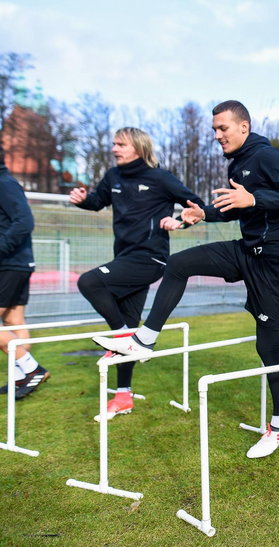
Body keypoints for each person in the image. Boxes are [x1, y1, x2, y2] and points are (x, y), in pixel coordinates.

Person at [94, 101, 279, 457]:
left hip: (275, 261)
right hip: (246, 251)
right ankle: (145, 340)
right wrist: (201, 214)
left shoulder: (267, 156)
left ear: (244, 126)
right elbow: (234, 209)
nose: (216, 135)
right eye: (213, 129)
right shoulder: (238, 162)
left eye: (222, 128)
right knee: (177, 264)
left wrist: (253, 198)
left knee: (268, 345)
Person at [69, 127, 203, 419]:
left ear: (138, 147)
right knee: (129, 324)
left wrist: (180, 221)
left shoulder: (160, 178)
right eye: (114, 144)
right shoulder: (113, 176)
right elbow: (98, 201)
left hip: (151, 258)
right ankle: (123, 396)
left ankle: (123, 337)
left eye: (121, 144)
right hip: (125, 256)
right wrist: (83, 200)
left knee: (89, 282)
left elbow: (197, 206)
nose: (114, 149)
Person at [0, 144, 49, 400]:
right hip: (16, 263)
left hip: (10, 264)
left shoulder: (4, 183)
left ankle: (31, 369)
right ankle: (22, 376)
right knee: (12, 321)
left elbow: (25, 221)